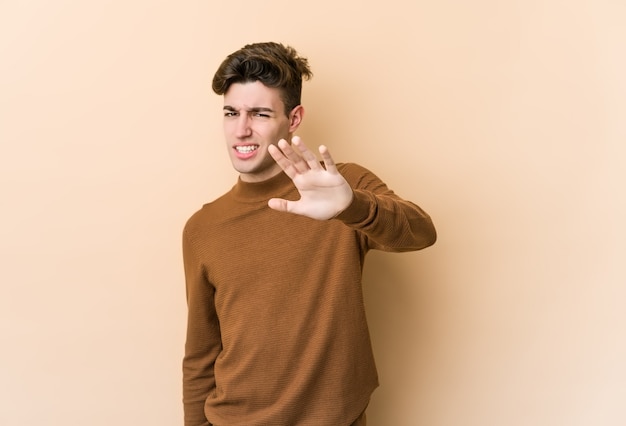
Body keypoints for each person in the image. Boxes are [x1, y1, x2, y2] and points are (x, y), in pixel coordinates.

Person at [182, 41, 436, 426]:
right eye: (231, 113)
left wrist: (352, 207)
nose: (241, 129)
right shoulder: (203, 228)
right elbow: (200, 355)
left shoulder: (343, 187)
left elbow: (420, 232)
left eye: (260, 114)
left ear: (294, 118)